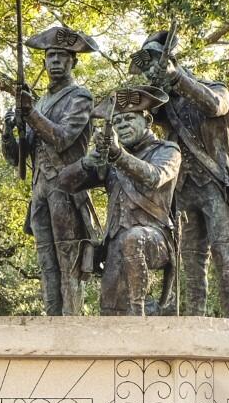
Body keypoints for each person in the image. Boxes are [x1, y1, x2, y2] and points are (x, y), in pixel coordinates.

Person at [130, 32, 229, 317]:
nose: (151, 72)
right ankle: (194, 319)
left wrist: (177, 77)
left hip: (214, 184)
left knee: (224, 256)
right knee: (191, 260)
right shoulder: (164, 106)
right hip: (183, 189)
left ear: (171, 61)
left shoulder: (216, 88)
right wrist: (157, 84)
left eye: (155, 64)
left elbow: (213, 105)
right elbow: (143, 113)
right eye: (147, 68)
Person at [55, 86, 181, 316]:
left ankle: (139, 315)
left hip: (156, 239)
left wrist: (118, 155)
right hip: (116, 244)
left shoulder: (167, 150)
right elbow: (64, 183)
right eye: (117, 121)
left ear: (147, 121)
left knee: (134, 238)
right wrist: (87, 162)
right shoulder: (110, 158)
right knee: (110, 310)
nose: (122, 125)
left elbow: (155, 177)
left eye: (129, 119)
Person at [1, 24, 100, 315]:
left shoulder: (80, 97)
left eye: (62, 56)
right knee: (46, 263)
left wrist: (30, 113)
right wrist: (9, 132)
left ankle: (71, 324)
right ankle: (52, 321)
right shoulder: (40, 102)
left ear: (73, 61)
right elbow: (20, 156)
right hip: (40, 191)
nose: (55, 61)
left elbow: (62, 138)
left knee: (69, 260)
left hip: (67, 189)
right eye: (50, 56)